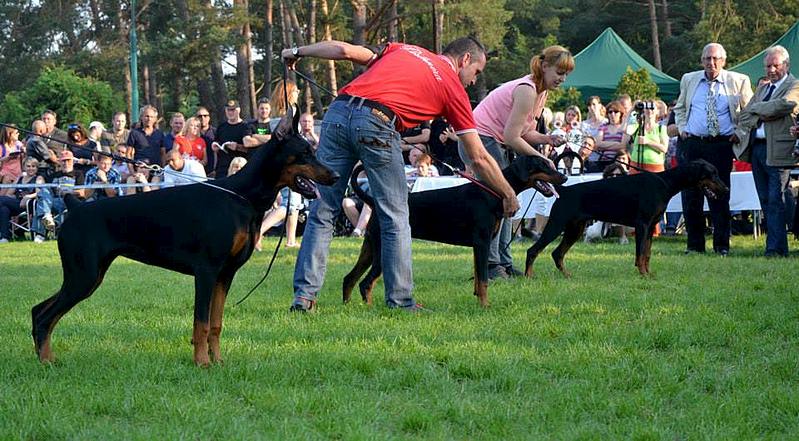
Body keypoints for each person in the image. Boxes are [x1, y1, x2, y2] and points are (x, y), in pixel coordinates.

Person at [282, 36, 519, 312]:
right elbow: (478, 156)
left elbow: (345, 49)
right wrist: (507, 192)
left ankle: (304, 298)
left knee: (323, 210)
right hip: (379, 123)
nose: (474, 80)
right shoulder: (453, 88)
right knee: (395, 215)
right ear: (465, 59)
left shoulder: (405, 49)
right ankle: (400, 301)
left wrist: (296, 51)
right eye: (476, 71)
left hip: (337, 114)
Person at [463, 45, 572, 279]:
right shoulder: (527, 90)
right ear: (544, 67)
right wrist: (543, 160)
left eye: (566, 74)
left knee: (507, 200)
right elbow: (512, 138)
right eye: (559, 72)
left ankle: (503, 262)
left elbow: (523, 132)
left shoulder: (541, 92)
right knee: (500, 201)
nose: (562, 79)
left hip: (493, 141)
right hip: (480, 140)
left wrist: (546, 138)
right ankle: (491, 266)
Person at [673, 42, 753, 256]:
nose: (712, 62)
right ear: (701, 61)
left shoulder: (738, 81)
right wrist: (682, 128)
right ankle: (694, 245)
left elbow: (749, 112)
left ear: (724, 61)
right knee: (691, 197)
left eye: (716, 58)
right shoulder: (689, 80)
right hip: (693, 145)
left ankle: (722, 246)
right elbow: (680, 108)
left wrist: (741, 132)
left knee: (719, 195)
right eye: (707, 58)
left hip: (721, 146)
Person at [734, 45, 799, 257]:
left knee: (776, 199)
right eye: (768, 66)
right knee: (765, 200)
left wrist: (758, 109)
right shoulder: (763, 88)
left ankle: (775, 249)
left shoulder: (795, 85)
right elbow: (744, 115)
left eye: (775, 65)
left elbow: (783, 106)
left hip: (779, 150)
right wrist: (762, 111)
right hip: (757, 150)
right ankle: (777, 245)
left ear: (786, 65)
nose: (771, 70)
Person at [34, 150, 85, 241]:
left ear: (72, 161)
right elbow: (45, 192)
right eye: (63, 161)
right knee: (43, 192)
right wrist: (40, 179)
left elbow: (81, 192)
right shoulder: (54, 175)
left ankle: (42, 231)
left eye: (68, 160)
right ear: (59, 162)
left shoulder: (78, 174)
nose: (65, 163)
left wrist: (67, 192)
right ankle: (46, 218)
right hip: (54, 201)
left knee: (42, 204)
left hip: (71, 201)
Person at [0, 158, 42, 242]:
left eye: (33, 166)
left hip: (30, 204)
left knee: (1, 200)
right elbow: (9, 194)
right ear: (24, 167)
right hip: (17, 203)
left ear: (37, 168)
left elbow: (39, 193)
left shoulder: (38, 178)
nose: (31, 168)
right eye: (28, 166)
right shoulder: (19, 178)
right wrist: (15, 197)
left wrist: (28, 197)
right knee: (3, 209)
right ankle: (5, 237)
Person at [621, 104, 669, 173]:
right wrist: (631, 111)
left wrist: (648, 142)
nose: (649, 111)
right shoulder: (637, 126)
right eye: (646, 108)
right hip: (636, 165)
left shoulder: (661, 128)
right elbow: (623, 129)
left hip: (655, 166)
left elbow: (664, 149)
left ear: (657, 111)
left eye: (652, 108)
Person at [212, 100, 252, 178]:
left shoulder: (246, 126)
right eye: (228, 110)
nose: (230, 113)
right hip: (222, 169)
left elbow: (251, 150)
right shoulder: (221, 127)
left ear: (239, 110)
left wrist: (237, 147)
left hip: (239, 168)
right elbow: (217, 143)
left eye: (233, 110)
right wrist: (215, 147)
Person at [0, 124, 25, 194]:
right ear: (9, 135)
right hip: (6, 174)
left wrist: (24, 150)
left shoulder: (18, 144)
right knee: (3, 193)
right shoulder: (2, 147)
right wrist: (8, 157)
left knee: (10, 195)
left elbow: (24, 152)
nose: (18, 134)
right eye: (16, 133)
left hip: (17, 174)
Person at [195, 106, 217, 176]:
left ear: (209, 118)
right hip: (196, 172)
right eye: (200, 116)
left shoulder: (216, 132)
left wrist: (216, 169)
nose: (202, 118)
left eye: (205, 116)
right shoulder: (193, 134)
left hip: (213, 172)